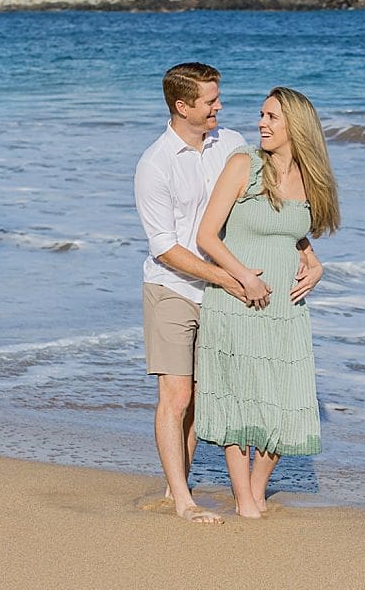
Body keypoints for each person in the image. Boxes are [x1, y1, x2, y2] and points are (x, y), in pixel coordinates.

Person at [134, 65, 323, 524]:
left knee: (208, 397)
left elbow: (268, 212)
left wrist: (307, 253)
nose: (220, 106)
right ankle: (182, 498)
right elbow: (166, 247)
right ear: (183, 107)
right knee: (177, 396)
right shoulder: (155, 164)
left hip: (227, 293)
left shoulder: (231, 144)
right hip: (175, 287)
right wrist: (226, 276)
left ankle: (180, 480)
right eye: (210, 101)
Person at [194, 87, 341, 519]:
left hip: (286, 310)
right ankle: (244, 500)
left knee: (283, 399)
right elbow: (206, 235)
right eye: (262, 114)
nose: (261, 123)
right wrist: (243, 277)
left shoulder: (310, 179)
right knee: (240, 398)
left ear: (296, 125)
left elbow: (292, 232)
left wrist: (315, 263)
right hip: (237, 301)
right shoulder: (244, 164)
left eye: (272, 117)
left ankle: (257, 491)